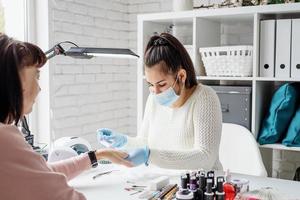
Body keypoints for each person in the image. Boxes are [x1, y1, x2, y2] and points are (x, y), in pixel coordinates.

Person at [0, 33, 133, 200]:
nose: (40, 89)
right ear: (14, 81)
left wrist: (96, 155)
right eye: (36, 76)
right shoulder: (4, 139)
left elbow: (43, 175)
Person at [98, 33, 223, 170]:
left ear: (181, 76)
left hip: (201, 186)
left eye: (162, 84)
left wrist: (149, 155)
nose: (155, 92)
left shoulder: (204, 97)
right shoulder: (153, 99)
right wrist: (122, 142)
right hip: (166, 184)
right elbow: (144, 143)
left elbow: (205, 158)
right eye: (150, 84)